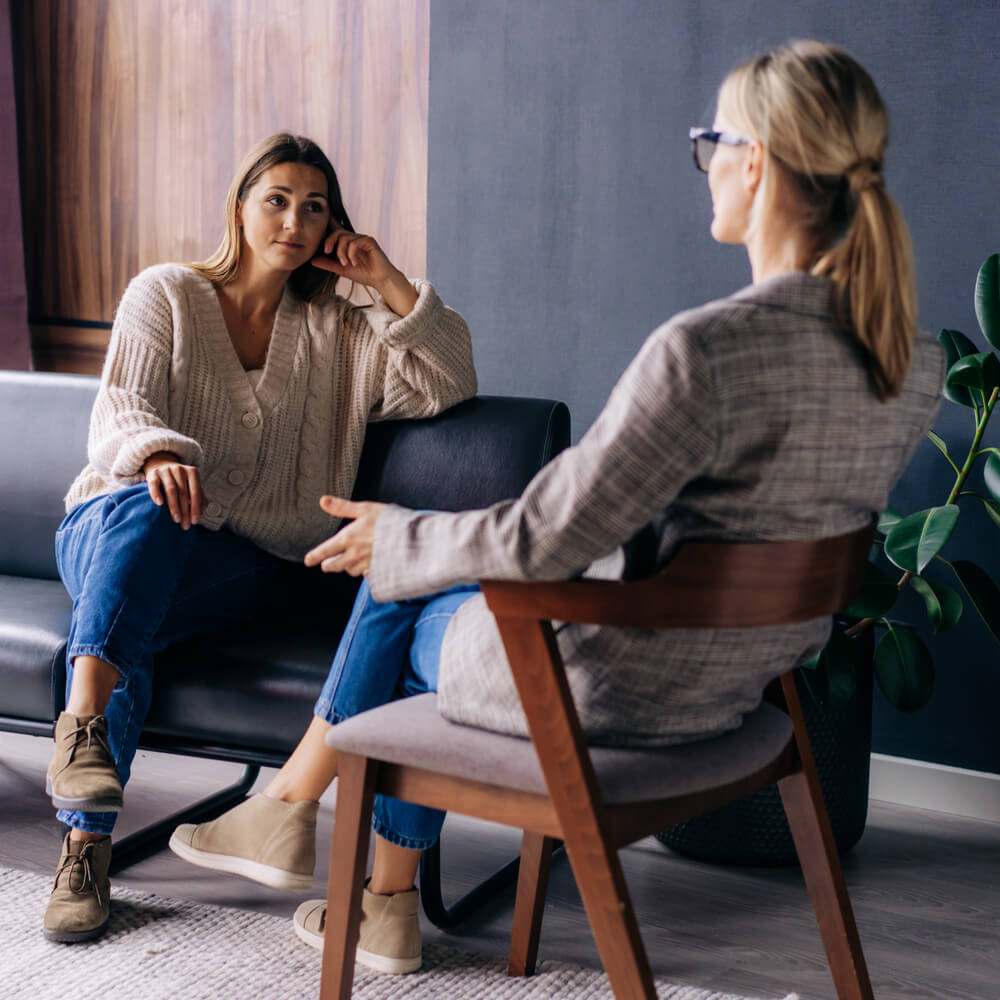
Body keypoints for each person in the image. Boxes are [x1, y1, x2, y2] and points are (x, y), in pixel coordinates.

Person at [173, 41, 944, 976]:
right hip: (742, 689)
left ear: (758, 163)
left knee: (402, 579)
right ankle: (358, 882)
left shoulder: (709, 350)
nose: (707, 165)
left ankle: (315, 837)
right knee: (421, 559)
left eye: (712, 142)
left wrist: (403, 536)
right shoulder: (908, 361)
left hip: (615, 689)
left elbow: (547, 536)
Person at [43, 132, 477, 943]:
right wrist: (161, 453)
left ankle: (84, 833)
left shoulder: (342, 332)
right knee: (152, 515)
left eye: (315, 207)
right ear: (240, 209)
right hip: (113, 523)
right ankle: (86, 752)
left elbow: (448, 384)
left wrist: (386, 281)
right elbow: (119, 411)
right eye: (276, 199)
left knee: (134, 612)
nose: (295, 220)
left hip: (247, 565)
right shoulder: (165, 293)